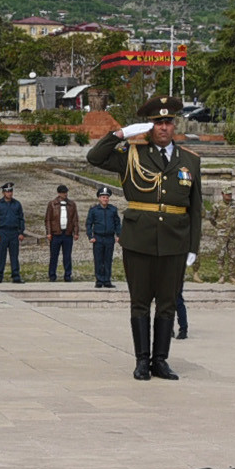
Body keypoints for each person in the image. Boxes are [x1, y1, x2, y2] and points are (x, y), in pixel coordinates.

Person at [85, 97, 202, 381]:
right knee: (139, 302)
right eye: (157, 123)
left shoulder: (190, 160)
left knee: (167, 303)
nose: (163, 127)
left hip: (175, 241)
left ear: (175, 125)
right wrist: (121, 134)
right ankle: (141, 361)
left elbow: (195, 207)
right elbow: (94, 157)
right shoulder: (132, 154)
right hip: (139, 239)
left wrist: (193, 246)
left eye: (168, 122)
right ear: (149, 127)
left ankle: (161, 361)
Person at [86, 185, 121, 288]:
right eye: (103, 197)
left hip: (109, 238)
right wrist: (90, 236)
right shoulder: (94, 210)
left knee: (108, 259)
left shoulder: (113, 210)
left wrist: (118, 234)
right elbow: (89, 224)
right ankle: (99, 280)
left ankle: (107, 280)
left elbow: (117, 223)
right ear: (99, 198)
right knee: (98, 259)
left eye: (107, 197)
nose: (105, 199)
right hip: (98, 238)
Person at [0, 183, 25, 282]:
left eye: (11, 191)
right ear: (3, 192)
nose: (9, 193)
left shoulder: (17, 204)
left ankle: (16, 276)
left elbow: (21, 219)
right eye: (7, 191)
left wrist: (21, 232)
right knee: (1, 255)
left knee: (14, 255)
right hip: (2, 232)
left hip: (14, 232)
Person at [46, 184, 79, 281]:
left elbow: (75, 219)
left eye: (66, 192)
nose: (65, 194)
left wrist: (76, 232)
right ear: (59, 193)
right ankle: (52, 275)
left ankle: (67, 275)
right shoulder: (52, 204)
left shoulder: (72, 204)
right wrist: (48, 232)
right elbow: (48, 219)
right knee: (54, 256)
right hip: (56, 234)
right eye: (63, 193)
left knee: (67, 256)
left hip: (67, 233)